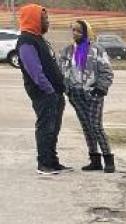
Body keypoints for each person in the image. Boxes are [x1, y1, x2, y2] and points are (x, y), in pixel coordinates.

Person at [15, 4, 68, 175]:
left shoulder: (38, 38)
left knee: (54, 128)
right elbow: (35, 71)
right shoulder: (26, 41)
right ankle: (44, 164)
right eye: (44, 19)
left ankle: (53, 161)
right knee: (46, 127)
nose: (47, 22)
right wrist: (49, 90)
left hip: (55, 93)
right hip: (44, 94)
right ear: (33, 19)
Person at [60, 19, 115, 173]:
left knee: (96, 126)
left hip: (93, 93)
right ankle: (94, 159)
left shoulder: (97, 50)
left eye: (79, 31)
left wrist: (101, 88)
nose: (75, 33)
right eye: (73, 30)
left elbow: (107, 71)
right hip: (75, 94)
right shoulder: (67, 51)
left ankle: (108, 158)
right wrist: (67, 89)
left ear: (86, 32)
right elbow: (62, 71)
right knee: (86, 127)